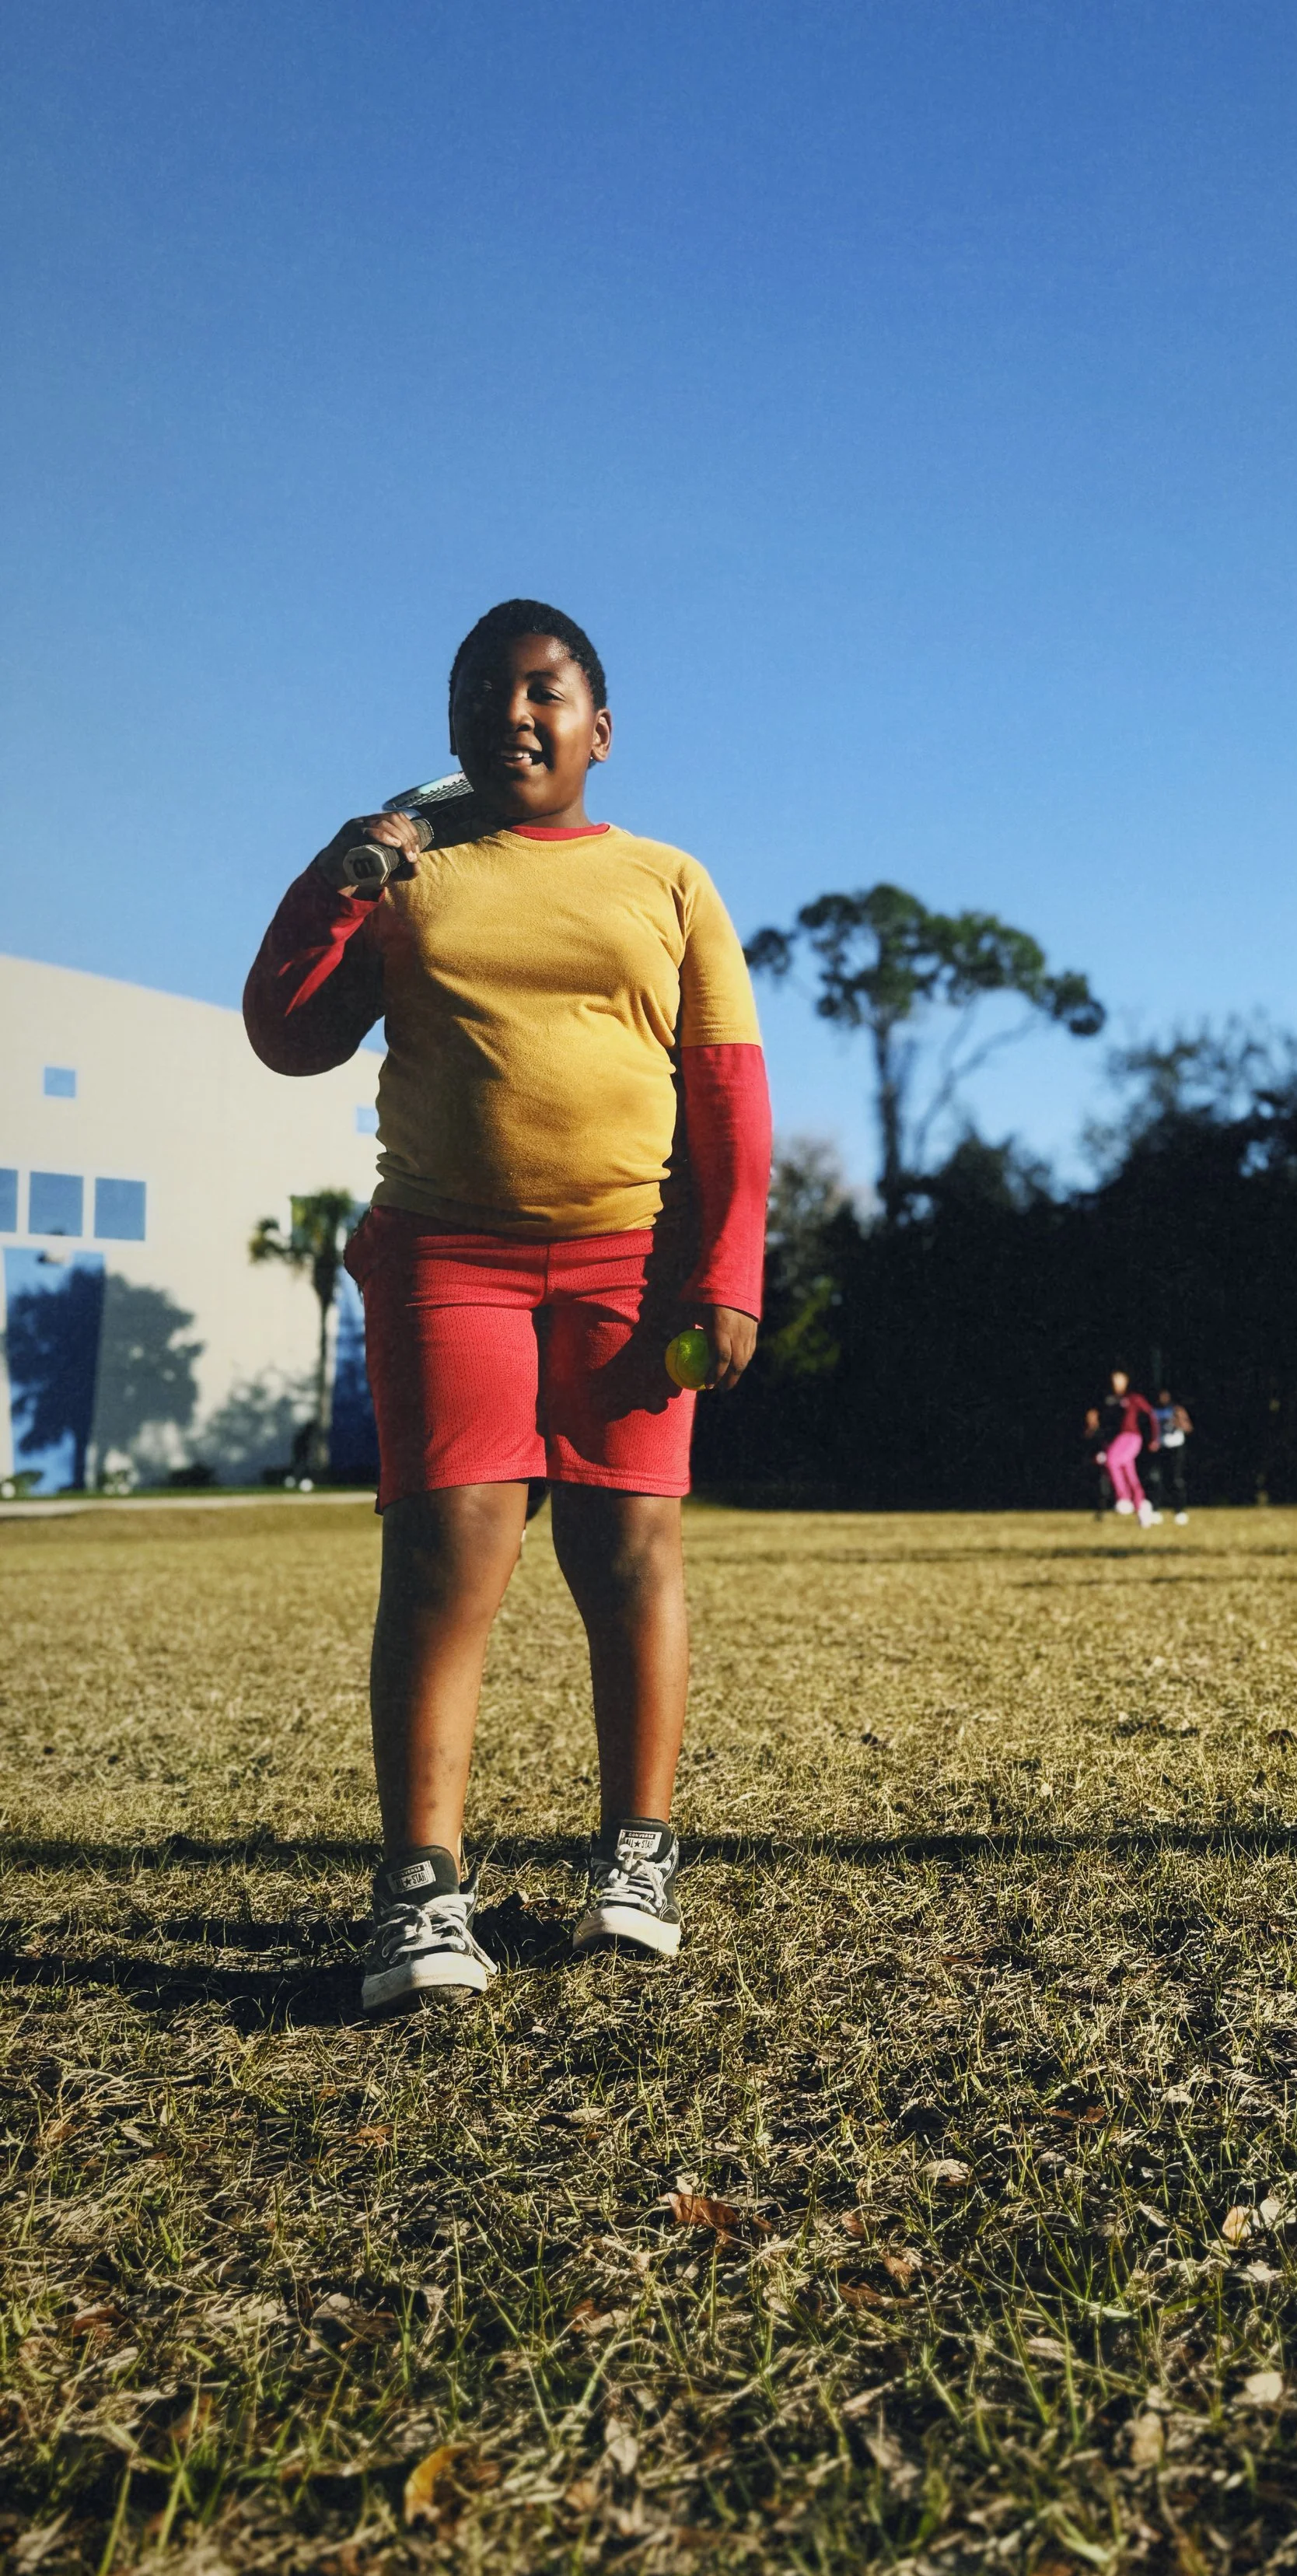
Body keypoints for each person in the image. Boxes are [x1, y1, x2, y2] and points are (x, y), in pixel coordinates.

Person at [244, 600, 771, 2014]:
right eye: (485, 692)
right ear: (458, 730)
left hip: (626, 1261)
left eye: (545, 691)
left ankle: (637, 1858)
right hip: (446, 1258)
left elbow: (727, 1093)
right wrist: (350, 867)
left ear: (601, 729)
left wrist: (726, 1272)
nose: (514, 713)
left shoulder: (668, 880)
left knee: (627, 1552)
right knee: (445, 1557)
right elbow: (288, 1027)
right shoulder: (413, 878)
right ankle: (420, 1891)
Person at [1084, 1370, 1160, 1528]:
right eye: (1114, 1381)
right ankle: (1142, 1506)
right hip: (1116, 1440)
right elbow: (1099, 1419)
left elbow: (1151, 1415)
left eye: (1119, 1381)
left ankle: (1124, 1497)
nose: (1116, 1384)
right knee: (1127, 1470)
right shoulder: (1109, 1401)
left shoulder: (1133, 1399)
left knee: (1112, 1461)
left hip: (1131, 1437)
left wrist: (1154, 1437)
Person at [1151, 1390, 1194, 1524]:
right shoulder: (1154, 1411)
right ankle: (1156, 1510)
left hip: (1176, 1447)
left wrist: (1179, 1421)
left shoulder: (1176, 1410)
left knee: (1176, 1480)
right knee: (1157, 1479)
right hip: (1161, 1448)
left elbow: (1188, 1428)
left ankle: (1180, 1511)